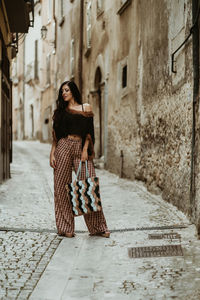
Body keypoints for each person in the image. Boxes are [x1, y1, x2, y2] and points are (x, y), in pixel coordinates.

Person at [50, 80, 110, 238]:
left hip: (80, 148)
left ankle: (98, 227)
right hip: (63, 147)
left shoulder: (86, 108)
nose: (64, 93)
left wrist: (85, 150)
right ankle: (66, 227)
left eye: (67, 90)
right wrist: (52, 154)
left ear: (73, 91)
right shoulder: (60, 113)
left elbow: (89, 133)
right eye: (62, 91)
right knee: (61, 188)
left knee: (88, 186)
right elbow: (56, 137)